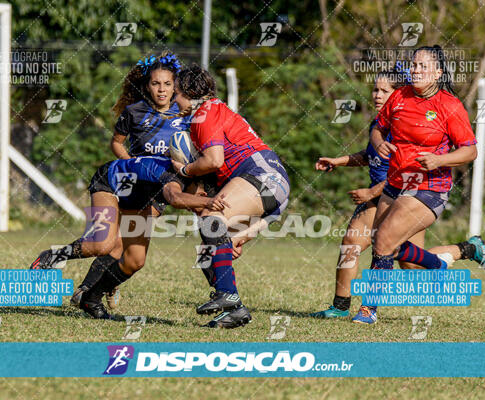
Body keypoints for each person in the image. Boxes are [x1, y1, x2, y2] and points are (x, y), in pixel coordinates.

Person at [352, 45, 485, 324]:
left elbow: (470, 151)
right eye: (413, 65)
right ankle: (437, 263)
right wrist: (380, 144)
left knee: (383, 242)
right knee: (383, 244)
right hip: (395, 182)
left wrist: (440, 160)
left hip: (429, 188)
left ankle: (368, 311)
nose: (415, 71)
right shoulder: (399, 97)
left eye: (422, 67)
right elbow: (378, 128)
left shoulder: (449, 106)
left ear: (438, 73)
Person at [29, 155, 229, 319]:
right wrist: (207, 202)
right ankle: (54, 255)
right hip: (110, 182)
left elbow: (207, 233)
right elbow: (175, 199)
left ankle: (91, 299)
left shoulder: (197, 185)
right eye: (202, 196)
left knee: (135, 260)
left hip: (137, 198)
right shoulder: (175, 176)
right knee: (103, 245)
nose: (201, 201)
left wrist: (227, 249)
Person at [169, 64, 291, 328]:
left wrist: (185, 169)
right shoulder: (211, 110)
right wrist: (244, 235)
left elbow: (214, 160)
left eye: (176, 92)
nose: (173, 98)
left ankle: (227, 295)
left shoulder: (205, 112)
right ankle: (235, 310)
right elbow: (279, 204)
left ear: (190, 92)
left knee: (211, 218)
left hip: (263, 174)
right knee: (207, 253)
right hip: (272, 185)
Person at [310, 70, 428, 319]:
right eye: (376, 89)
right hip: (378, 197)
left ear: (399, 93)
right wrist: (339, 161)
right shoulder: (380, 123)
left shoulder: (407, 124)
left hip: (405, 199)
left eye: (385, 91)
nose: (377, 94)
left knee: (414, 269)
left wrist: (371, 191)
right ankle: (341, 307)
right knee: (351, 243)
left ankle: (466, 250)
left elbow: (408, 168)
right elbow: (371, 156)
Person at [88, 52, 189, 310]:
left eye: (168, 84)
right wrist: (132, 163)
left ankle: (101, 286)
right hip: (132, 180)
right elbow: (116, 143)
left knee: (127, 242)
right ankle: (88, 290)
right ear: (147, 85)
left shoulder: (185, 112)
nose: (162, 89)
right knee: (112, 241)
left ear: (176, 86)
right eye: (156, 83)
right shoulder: (134, 113)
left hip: (162, 186)